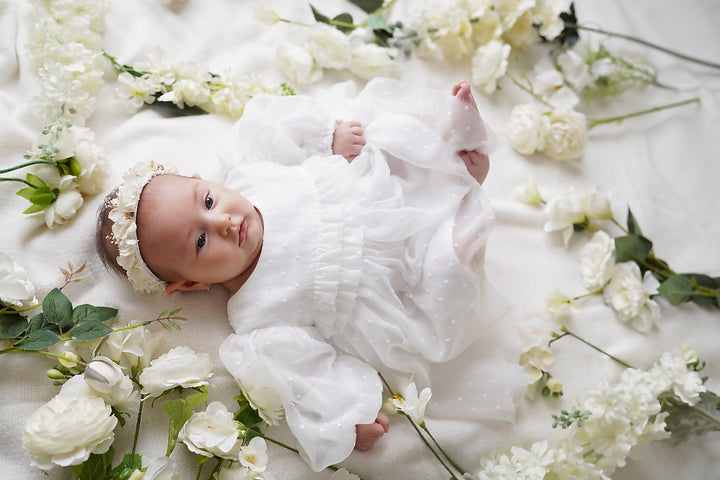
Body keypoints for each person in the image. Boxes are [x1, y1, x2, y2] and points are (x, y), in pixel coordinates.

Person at [96, 78, 522, 472]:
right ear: (190, 284)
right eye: (201, 242)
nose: (223, 222)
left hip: (384, 194)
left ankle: (450, 144)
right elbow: (308, 372)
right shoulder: (259, 317)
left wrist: (330, 140)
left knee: (386, 136)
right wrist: (348, 415)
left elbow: (283, 132)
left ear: (204, 180)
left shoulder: (253, 170)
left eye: (208, 200)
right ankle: (464, 204)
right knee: (448, 267)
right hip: (400, 286)